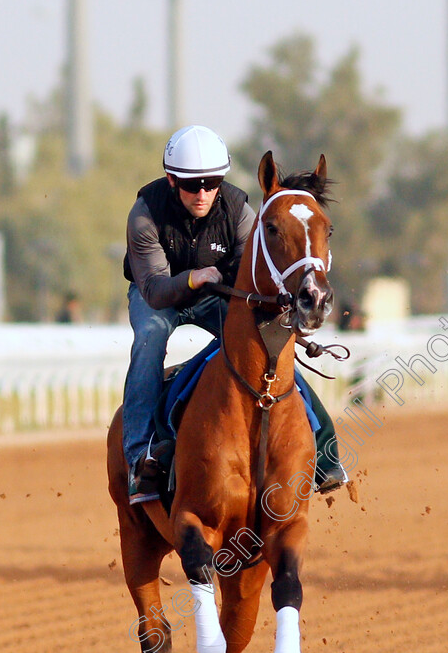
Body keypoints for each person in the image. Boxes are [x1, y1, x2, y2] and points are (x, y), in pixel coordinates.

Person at [122, 124, 347, 505]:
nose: (203, 193)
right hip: (159, 296)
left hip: (217, 294)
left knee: (271, 345)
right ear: (171, 180)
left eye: (212, 183)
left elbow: (257, 270)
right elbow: (155, 290)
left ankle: (324, 450)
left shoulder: (239, 211)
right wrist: (192, 279)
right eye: (193, 185)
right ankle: (140, 456)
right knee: (149, 340)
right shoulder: (144, 214)